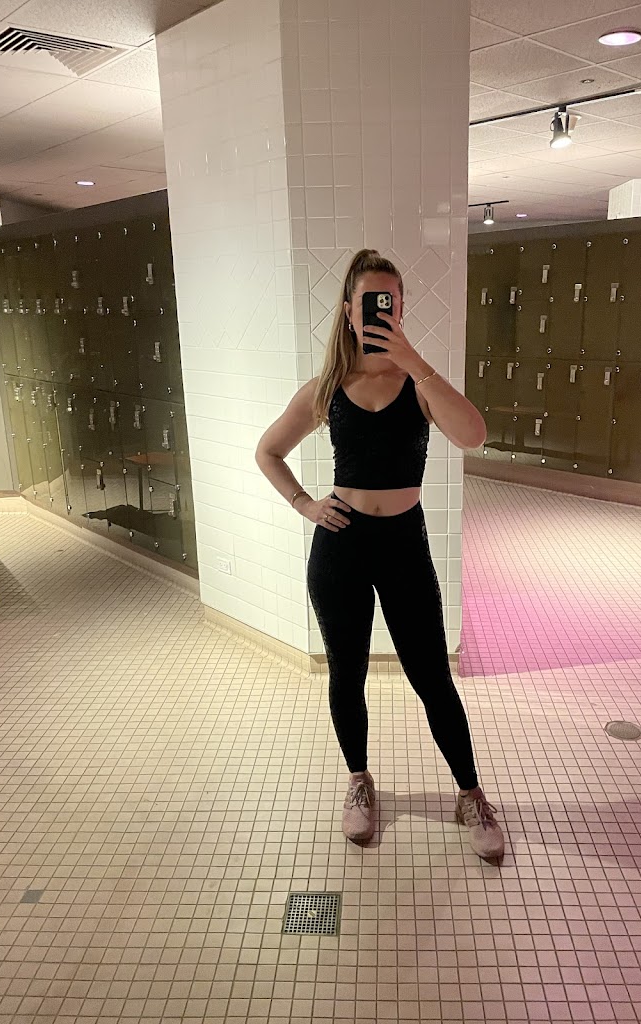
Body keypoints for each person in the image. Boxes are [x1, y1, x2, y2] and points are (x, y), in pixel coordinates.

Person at [255, 249, 504, 860]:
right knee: (348, 672)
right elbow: (268, 451)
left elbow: (474, 435)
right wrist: (305, 504)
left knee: (432, 676)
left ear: (400, 307)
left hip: (403, 545)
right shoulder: (327, 388)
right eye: (369, 302)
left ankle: (470, 793)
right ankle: (359, 781)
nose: (379, 311)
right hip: (341, 546)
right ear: (348, 310)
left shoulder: (419, 385)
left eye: (389, 301)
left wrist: (412, 358)